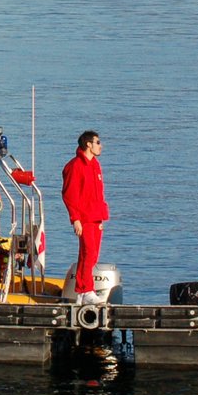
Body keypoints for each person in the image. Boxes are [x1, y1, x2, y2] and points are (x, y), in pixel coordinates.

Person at [62, 130, 110, 304]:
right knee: (87, 253)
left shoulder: (95, 165)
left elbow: (98, 193)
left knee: (93, 255)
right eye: (97, 142)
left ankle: (86, 290)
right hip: (84, 218)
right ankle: (84, 290)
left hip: (96, 217)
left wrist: (101, 216)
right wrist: (75, 219)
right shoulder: (75, 166)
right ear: (88, 144)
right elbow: (69, 195)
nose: (100, 145)